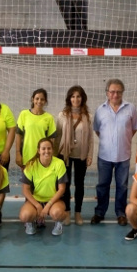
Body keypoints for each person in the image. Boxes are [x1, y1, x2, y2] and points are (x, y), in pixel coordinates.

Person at [91, 79, 137, 226]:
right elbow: (97, 130)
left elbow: (134, 128)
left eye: (118, 91)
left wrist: (122, 140)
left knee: (122, 186)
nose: (115, 94)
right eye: (112, 91)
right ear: (107, 93)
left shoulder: (131, 108)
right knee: (102, 185)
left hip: (123, 156)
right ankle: (100, 212)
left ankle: (121, 213)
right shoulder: (100, 110)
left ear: (122, 93)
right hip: (104, 156)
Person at [54, 85, 94, 226]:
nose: (75, 99)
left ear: (82, 98)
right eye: (73, 96)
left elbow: (90, 138)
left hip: (81, 156)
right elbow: (58, 136)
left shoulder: (88, 116)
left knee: (79, 184)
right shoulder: (62, 115)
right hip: (64, 155)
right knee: (65, 184)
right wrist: (55, 154)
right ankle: (67, 212)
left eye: (78, 96)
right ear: (69, 98)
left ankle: (78, 213)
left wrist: (89, 155)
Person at [19, 138, 68, 236]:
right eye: (43, 149)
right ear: (38, 150)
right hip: (36, 200)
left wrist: (48, 205)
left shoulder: (59, 163)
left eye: (49, 148)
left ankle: (59, 223)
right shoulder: (31, 165)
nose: (46, 151)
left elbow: (62, 189)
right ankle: (31, 222)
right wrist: (37, 205)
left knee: (57, 213)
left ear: (52, 150)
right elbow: (26, 190)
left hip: (53, 200)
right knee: (24, 216)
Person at [15, 88, 57, 169]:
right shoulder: (24, 114)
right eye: (37, 98)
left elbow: (52, 139)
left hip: (43, 155)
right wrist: (18, 153)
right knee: (27, 181)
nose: (39, 101)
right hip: (27, 155)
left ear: (45, 101)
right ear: (32, 99)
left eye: (42, 99)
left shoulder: (49, 117)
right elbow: (18, 135)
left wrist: (50, 155)